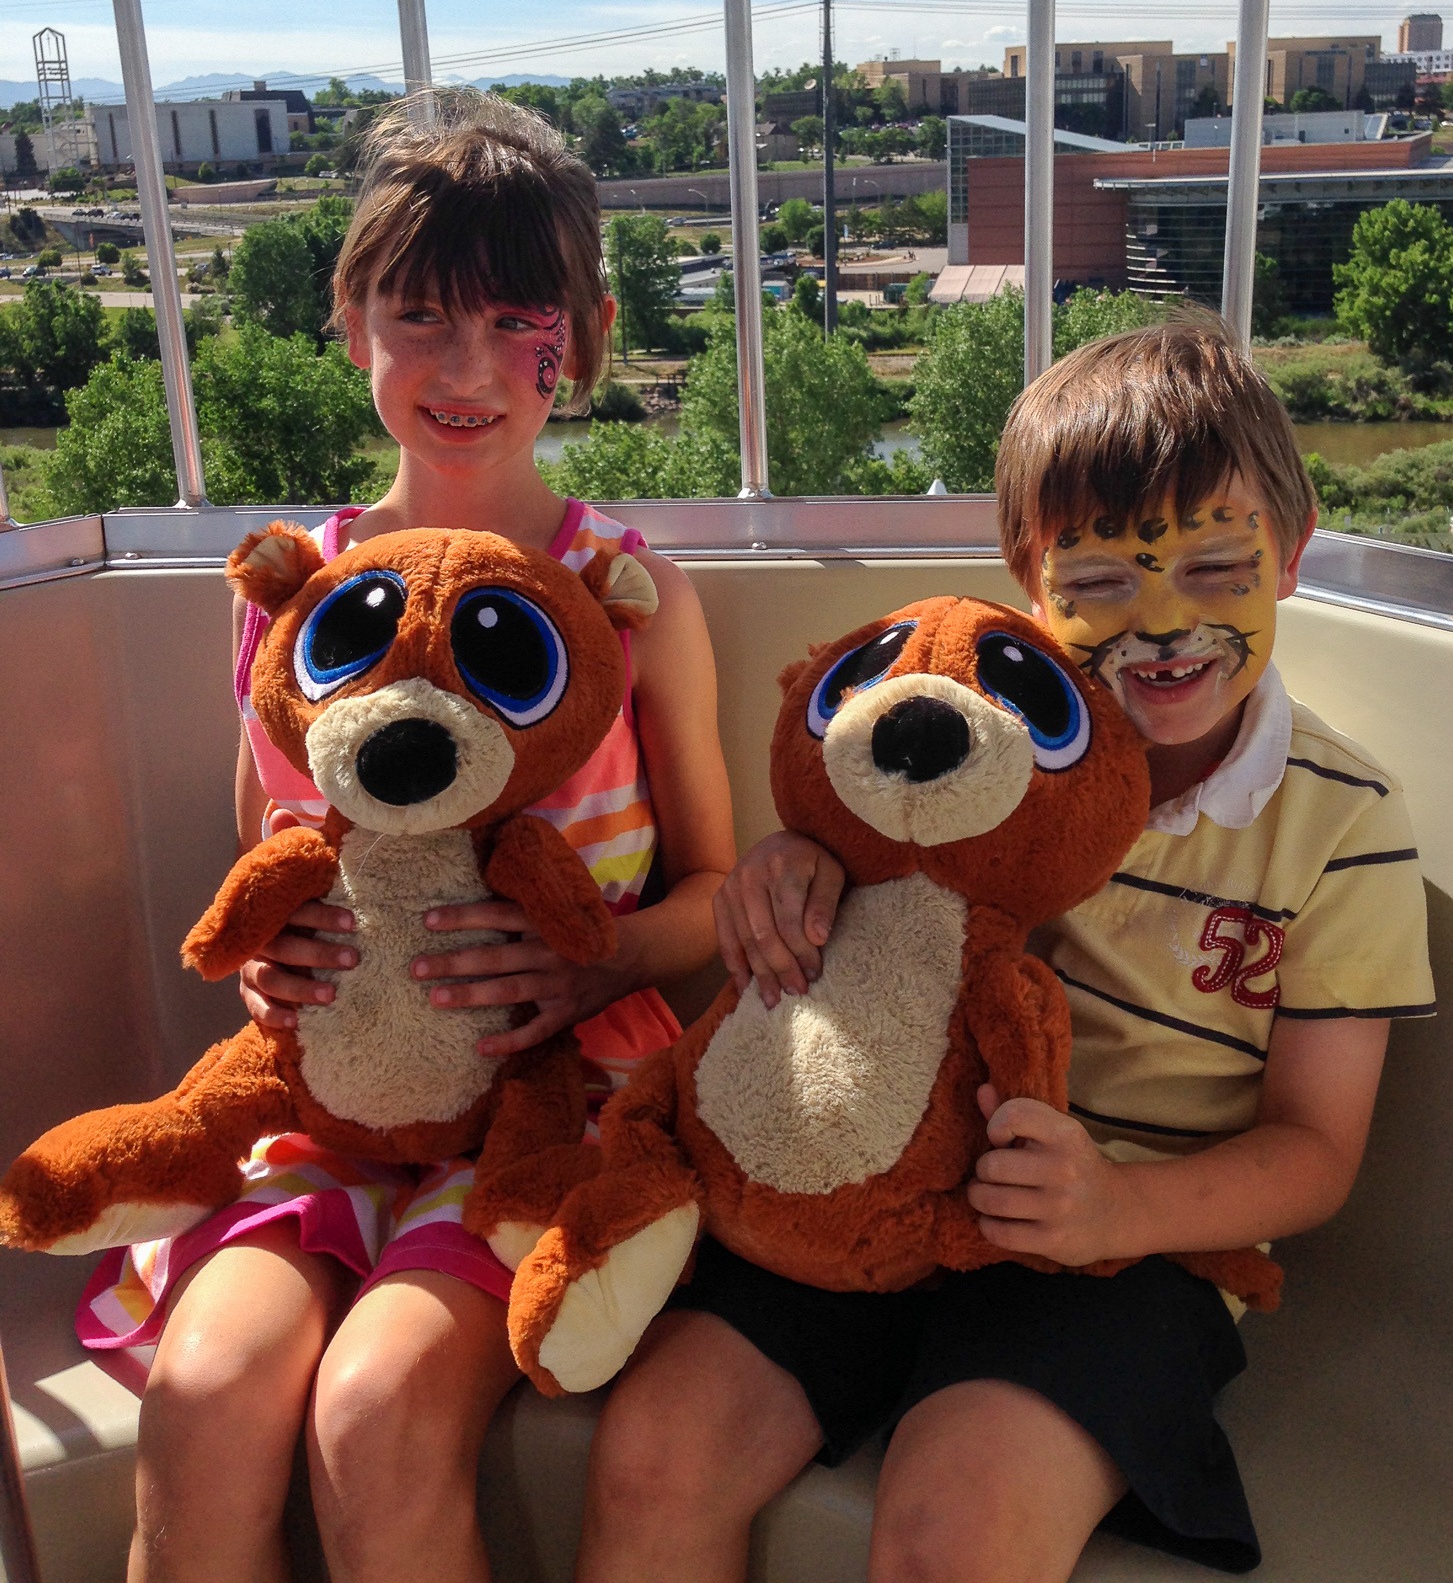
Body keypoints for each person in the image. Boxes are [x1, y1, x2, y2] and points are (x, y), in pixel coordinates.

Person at [579, 316, 1434, 1583]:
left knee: (955, 1527)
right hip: (872, 1186)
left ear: (1291, 554)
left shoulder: (1341, 819)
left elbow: (1314, 1153)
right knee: (655, 1447)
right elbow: (852, 861)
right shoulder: (965, 736)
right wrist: (792, 862)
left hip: (1129, 1245)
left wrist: (1113, 1205)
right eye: (1097, 584)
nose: (1161, 625)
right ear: (1033, 585)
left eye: (1213, 565)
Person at [77, 92, 736, 1583]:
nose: (467, 368)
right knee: (201, 1390)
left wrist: (593, 964)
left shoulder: (630, 598)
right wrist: (265, 974)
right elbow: (266, 871)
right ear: (349, 318)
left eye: (522, 323)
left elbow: (716, 891)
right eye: (421, 316)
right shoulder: (282, 597)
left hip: (546, 1112)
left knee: (374, 1412)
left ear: (589, 332)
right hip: (329, 1110)